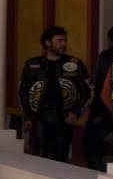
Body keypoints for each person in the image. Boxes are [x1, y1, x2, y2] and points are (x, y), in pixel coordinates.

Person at [18, 25, 92, 163]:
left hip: (64, 118)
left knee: (61, 157)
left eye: (65, 40)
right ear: (48, 43)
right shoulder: (32, 64)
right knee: (39, 156)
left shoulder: (75, 64)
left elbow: (88, 92)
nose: (64, 44)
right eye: (59, 40)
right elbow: (22, 92)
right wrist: (27, 117)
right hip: (39, 118)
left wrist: (76, 113)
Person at [85, 25, 113, 171]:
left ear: (109, 40)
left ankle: (97, 174)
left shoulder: (107, 57)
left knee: (93, 145)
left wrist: (97, 112)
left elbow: (101, 87)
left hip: (108, 111)